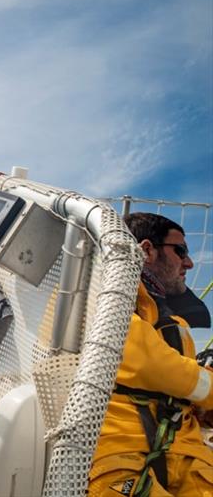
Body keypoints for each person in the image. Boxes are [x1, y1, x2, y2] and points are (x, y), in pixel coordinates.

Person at [88, 212, 213, 496]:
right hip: (120, 456)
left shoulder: (177, 326)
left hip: (188, 457)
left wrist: (202, 408)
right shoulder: (92, 296)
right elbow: (150, 364)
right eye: (180, 251)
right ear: (146, 250)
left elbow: (182, 383)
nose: (189, 263)